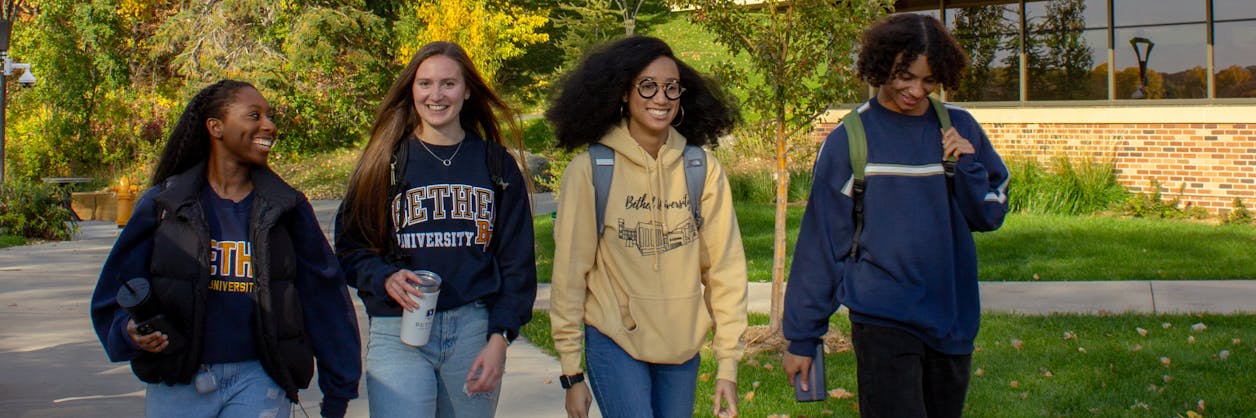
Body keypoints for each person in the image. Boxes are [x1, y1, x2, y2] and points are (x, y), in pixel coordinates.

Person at [782, 13, 1010, 418]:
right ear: (882, 64)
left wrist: (967, 165)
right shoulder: (850, 139)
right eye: (905, 76)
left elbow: (989, 215)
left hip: (952, 318)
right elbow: (822, 245)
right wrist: (803, 337)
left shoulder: (959, 127)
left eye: (929, 80)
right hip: (882, 317)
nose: (916, 91)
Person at [90, 79, 362, 418]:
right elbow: (115, 289)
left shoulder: (287, 209)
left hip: (260, 381)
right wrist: (127, 332)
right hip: (179, 380)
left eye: (270, 116)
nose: (269, 126)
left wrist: (338, 390)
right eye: (254, 115)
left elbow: (326, 299)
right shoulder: (164, 204)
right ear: (215, 127)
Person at [546, 35, 748, 418]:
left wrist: (727, 365)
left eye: (672, 87)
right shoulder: (590, 171)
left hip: (680, 345)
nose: (661, 98)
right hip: (614, 339)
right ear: (624, 93)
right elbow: (570, 275)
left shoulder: (701, 169)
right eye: (648, 86)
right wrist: (571, 371)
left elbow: (725, 270)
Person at [334, 41, 537, 417]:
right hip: (398, 329)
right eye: (425, 83)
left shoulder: (495, 164)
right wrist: (384, 277)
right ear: (411, 89)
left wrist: (500, 338)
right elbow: (350, 247)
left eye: (449, 84)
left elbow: (517, 263)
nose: (436, 95)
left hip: (472, 331)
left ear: (467, 90)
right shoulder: (385, 162)